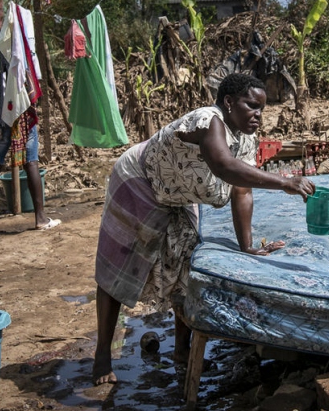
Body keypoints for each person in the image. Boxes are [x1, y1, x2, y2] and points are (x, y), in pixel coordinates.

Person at [92, 73, 315, 385]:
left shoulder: (246, 138)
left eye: (262, 108)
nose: (258, 114)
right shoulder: (209, 120)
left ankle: (182, 353)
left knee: (188, 267)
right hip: (139, 181)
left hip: (177, 194)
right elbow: (223, 165)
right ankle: (102, 357)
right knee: (119, 266)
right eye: (251, 105)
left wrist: (247, 245)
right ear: (228, 102)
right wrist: (284, 182)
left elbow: (242, 189)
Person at [0, 114, 60, 234]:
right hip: (24, 118)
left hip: (0, 118)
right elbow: (33, 96)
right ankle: (41, 219)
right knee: (31, 163)